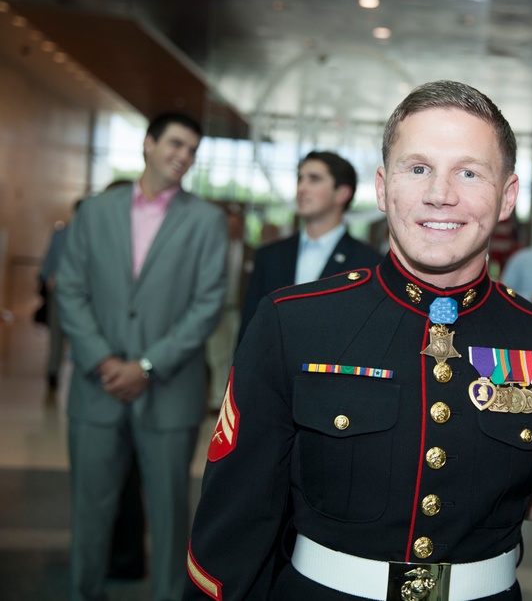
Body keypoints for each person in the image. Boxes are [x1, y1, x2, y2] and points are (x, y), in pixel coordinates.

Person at [186, 80, 532, 601]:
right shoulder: (295, 323)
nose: (440, 194)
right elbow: (234, 524)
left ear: (507, 195)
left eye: (468, 172)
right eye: (418, 168)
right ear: (381, 187)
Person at [57, 111, 228, 601]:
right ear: (149, 144)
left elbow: (207, 303)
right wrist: (104, 361)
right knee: (90, 511)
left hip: (169, 391)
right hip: (97, 387)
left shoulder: (206, 220)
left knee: (171, 512)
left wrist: (147, 365)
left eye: (192, 150)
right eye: (175, 143)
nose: (183, 156)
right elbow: (70, 291)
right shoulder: (95, 211)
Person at [238, 150, 381, 342]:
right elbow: (250, 328)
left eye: (314, 179)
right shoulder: (269, 256)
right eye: (300, 179)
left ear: (342, 193)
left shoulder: (369, 263)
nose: (302, 188)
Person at [205, 203, 254, 411]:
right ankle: (217, 399)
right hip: (216, 311)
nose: (232, 229)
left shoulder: (252, 252)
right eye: (228, 225)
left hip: (240, 311)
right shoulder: (212, 250)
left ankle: (234, 401)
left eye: (236, 225)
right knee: (217, 356)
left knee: (238, 355)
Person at [38, 200, 80, 392]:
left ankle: (56, 371)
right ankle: (53, 371)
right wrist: (48, 277)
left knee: (64, 334)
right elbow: (49, 259)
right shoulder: (64, 233)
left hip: (74, 291)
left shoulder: (70, 234)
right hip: (63, 290)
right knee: (58, 333)